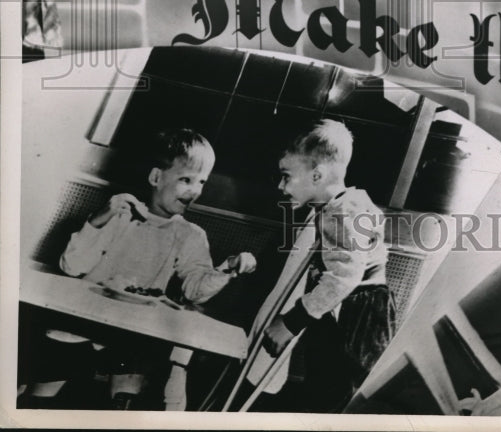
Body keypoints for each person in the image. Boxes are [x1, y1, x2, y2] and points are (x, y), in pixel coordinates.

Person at [23, 128, 257, 409]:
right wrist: (98, 220)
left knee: (129, 394)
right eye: (186, 179)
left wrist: (226, 270)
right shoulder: (119, 215)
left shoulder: (190, 235)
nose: (195, 190)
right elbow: (71, 267)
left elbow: (195, 291)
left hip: (135, 333)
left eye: (201, 182)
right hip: (81, 321)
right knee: (43, 390)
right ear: (156, 178)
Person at [260, 119, 396, 412]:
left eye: (286, 176)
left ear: (318, 175)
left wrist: (290, 322)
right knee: (325, 393)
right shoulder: (351, 202)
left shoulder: (340, 212)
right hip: (356, 314)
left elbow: (344, 276)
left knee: (331, 398)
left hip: (354, 319)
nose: (281, 186)